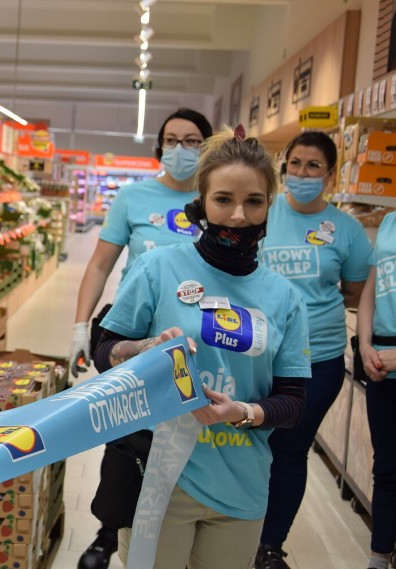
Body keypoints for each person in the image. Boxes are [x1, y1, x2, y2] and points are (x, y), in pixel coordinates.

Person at [94, 126, 311, 569]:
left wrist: (243, 413)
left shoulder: (285, 297)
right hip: (159, 478)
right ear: (202, 201)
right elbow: (105, 352)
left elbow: (293, 402)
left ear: (270, 205)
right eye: (223, 199)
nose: (237, 216)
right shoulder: (158, 268)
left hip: (242, 487)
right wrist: (144, 348)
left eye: (254, 202)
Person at [71, 108, 212, 569]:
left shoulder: (218, 199)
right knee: (127, 435)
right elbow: (100, 264)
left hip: (198, 337)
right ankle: (109, 531)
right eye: (171, 140)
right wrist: (80, 324)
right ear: (159, 147)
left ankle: (184, 526)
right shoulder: (132, 198)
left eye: (192, 141)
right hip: (135, 338)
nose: (180, 149)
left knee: (190, 434)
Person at [254, 132, 372, 568]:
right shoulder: (262, 212)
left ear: (330, 173)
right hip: (257, 352)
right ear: (284, 167)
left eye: (313, 166)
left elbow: (355, 290)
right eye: (296, 164)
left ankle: (269, 545)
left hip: (317, 358)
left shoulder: (347, 229)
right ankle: (235, 526)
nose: (302, 174)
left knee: (290, 448)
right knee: (248, 441)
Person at [357, 210, 396, 569]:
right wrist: (365, 344)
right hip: (381, 360)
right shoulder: (389, 223)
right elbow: (372, 287)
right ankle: (379, 555)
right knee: (385, 464)